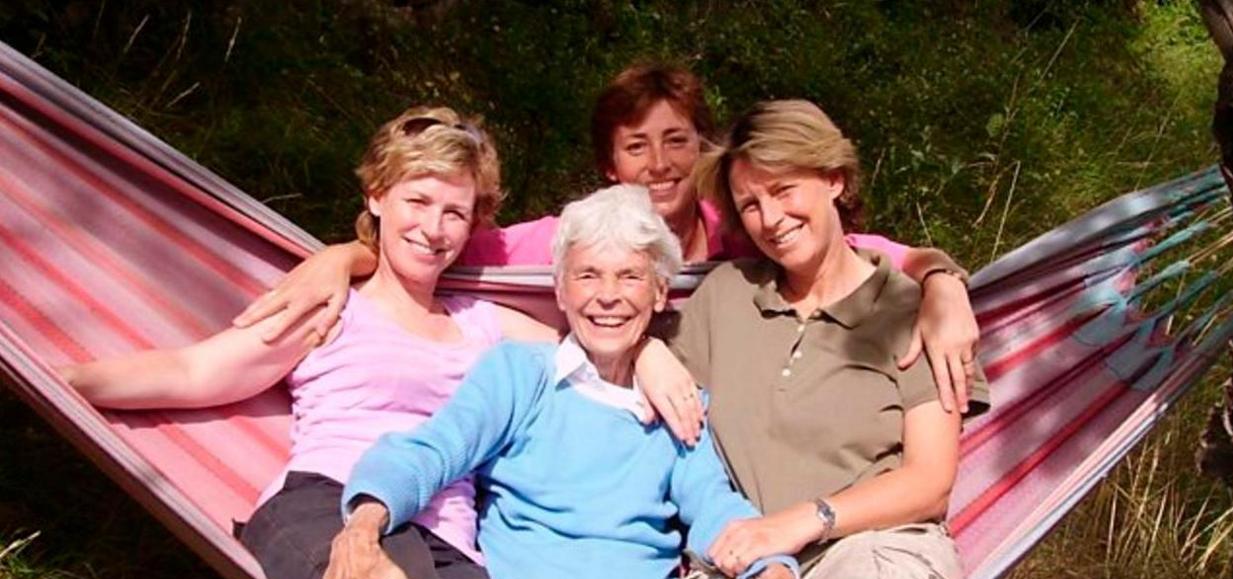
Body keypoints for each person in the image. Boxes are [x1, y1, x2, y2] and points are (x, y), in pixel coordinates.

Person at [58, 107, 691, 579]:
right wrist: (63, 377)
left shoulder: (487, 326)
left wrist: (653, 355)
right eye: (417, 200)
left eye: (454, 212)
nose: (433, 227)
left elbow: (594, 337)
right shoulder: (333, 306)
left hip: (451, 540)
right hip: (327, 503)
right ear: (376, 198)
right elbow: (193, 372)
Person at [234, 64, 982, 414]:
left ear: (705, 150)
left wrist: (944, 285)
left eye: (677, 141)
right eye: (635, 147)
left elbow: (885, 254)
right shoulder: (571, 238)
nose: (659, 165)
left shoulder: (746, 232)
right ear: (606, 165)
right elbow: (440, 246)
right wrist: (347, 253)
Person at [324, 184, 800, 579]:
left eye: (630, 276)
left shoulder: (677, 401)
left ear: (660, 293)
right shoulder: (522, 375)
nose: (608, 296)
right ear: (561, 290)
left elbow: (712, 503)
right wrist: (366, 519)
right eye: (588, 275)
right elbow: (436, 448)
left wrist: (772, 565)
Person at [669, 100, 991, 579]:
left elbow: (931, 482)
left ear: (834, 179)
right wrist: (647, 354)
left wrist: (803, 521)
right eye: (750, 205)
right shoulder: (725, 298)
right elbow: (664, 414)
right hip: (744, 546)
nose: (770, 218)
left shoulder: (909, 310)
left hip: (874, 545)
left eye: (784, 190)